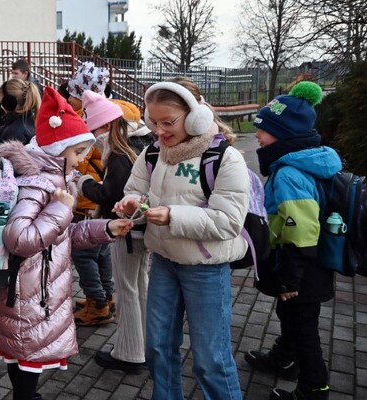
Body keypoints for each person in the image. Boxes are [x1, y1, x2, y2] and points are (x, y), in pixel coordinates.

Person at [0, 87, 132, 400]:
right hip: (27, 294)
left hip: (32, 292)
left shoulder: (54, 181)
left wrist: (106, 227)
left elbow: (65, 235)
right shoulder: (37, 184)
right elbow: (20, 238)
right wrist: (62, 207)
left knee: (23, 360)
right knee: (26, 363)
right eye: (77, 151)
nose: (81, 159)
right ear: (58, 149)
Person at [113, 77, 249, 400]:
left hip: (206, 269)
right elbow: (136, 190)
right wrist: (133, 203)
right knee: (158, 348)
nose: (159, 132)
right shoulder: (153, 153)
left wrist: (172, 216)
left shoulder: (226, 159)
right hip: (164, 262)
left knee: (210, 360)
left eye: (167, 122)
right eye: (153, 122)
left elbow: (228, 221)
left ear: (194, 116)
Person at [244, 81, 336, 400]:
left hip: (302, 269)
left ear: (284, 136)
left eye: (263, 130)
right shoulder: (299, 163)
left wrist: (290, 279)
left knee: (304, 328)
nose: (257, 135)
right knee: (292, 317)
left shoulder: (289, 175)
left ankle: (314, 388)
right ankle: (284, 358)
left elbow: (300, 231)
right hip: (307, 266)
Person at [76, 91, 155, 374]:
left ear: (108, 126)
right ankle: (146, 345)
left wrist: (83, 182)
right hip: (143, 228)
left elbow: (111, 195)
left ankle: (129, 353)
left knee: (127, 290)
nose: (94, 135)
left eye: (95, 128)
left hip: (125, 230)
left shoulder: (121, 154)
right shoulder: (145, 141)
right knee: (140, 287)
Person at [66, 62, 116, 327]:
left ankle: (97, 303)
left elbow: (80, 162)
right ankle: (106, 297)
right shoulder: (105, 118)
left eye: (73, 93)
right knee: (102, 253)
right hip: (97, 205)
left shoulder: (88, 125)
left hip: (86, 203)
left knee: (85, 256)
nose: (68, 97)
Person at [0, 59, 43, 128]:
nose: (13, 76)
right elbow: (1, 101)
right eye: (12, 73)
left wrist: (3, 126)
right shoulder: (14, 85)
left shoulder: (34, 89)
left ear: (25, 73)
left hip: (21, 126)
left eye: (16, 73)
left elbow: (21, 112)